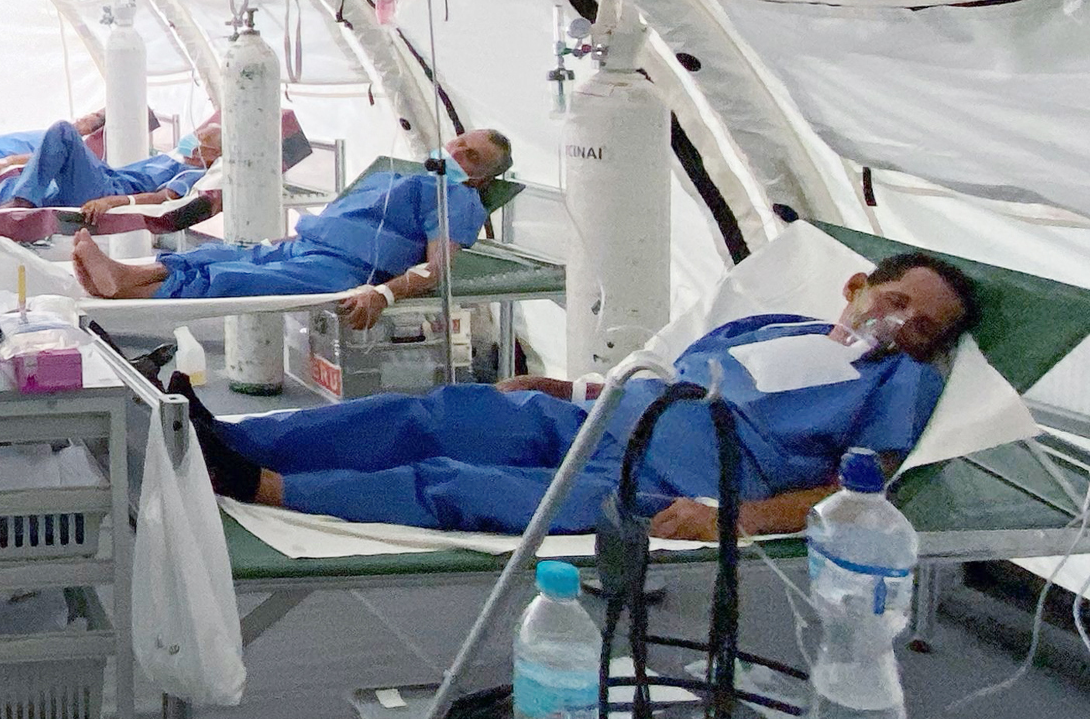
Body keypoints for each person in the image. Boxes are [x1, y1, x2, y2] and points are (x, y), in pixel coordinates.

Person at [190, 252, 978, 539]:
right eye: (895, 301)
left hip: (659, 481)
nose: (902, 324)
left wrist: (730, 520)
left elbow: (850, 494)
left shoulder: (895, 386)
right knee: (438, 412)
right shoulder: (772, 326)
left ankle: (264, 484)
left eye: (924, 325)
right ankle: (238, 437)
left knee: (466, 485)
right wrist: (567, 385)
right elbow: (673, 377)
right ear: (855, 288)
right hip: (595, 417)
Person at [73, 130, 511, 328]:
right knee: (217, 255)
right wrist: (274, 242)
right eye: (459, 142)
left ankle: (122, 288)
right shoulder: (396, 176)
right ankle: (121, 278)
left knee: (237, 279)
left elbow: (437, 269)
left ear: (482, 179)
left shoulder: (458, 199)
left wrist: (385, 293)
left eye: (470, 156)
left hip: (344, 269)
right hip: (304, 244)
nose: (455, 152)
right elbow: (339, 217)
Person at [0, 117, 222, 215]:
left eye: (199, 137)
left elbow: (162, 197)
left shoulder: (193, 172)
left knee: (62, 130)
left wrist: (111, 202)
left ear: (210, 151)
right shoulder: (172, 157)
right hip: (101, 179)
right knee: (16, 184)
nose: (192, 137)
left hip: (106, 190)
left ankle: (22, 203)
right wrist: (12, 161)